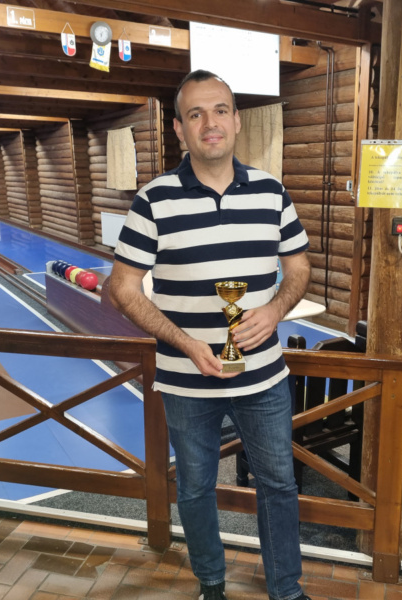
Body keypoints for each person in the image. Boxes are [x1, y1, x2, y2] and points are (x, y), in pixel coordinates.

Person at [109, 69, 311, 600]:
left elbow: (298, 269)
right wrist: (185, 343)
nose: (210, 123)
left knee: (279, 486)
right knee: (196, 488)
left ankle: (286, 590)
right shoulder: (153, 200)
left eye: (220, 110)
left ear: (237, 121)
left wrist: (275, 310)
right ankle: (212, 586)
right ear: (180, 128)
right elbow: (122, 288)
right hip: (186, 380)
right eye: (195, 114)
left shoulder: (272, 192)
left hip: (263, 377)